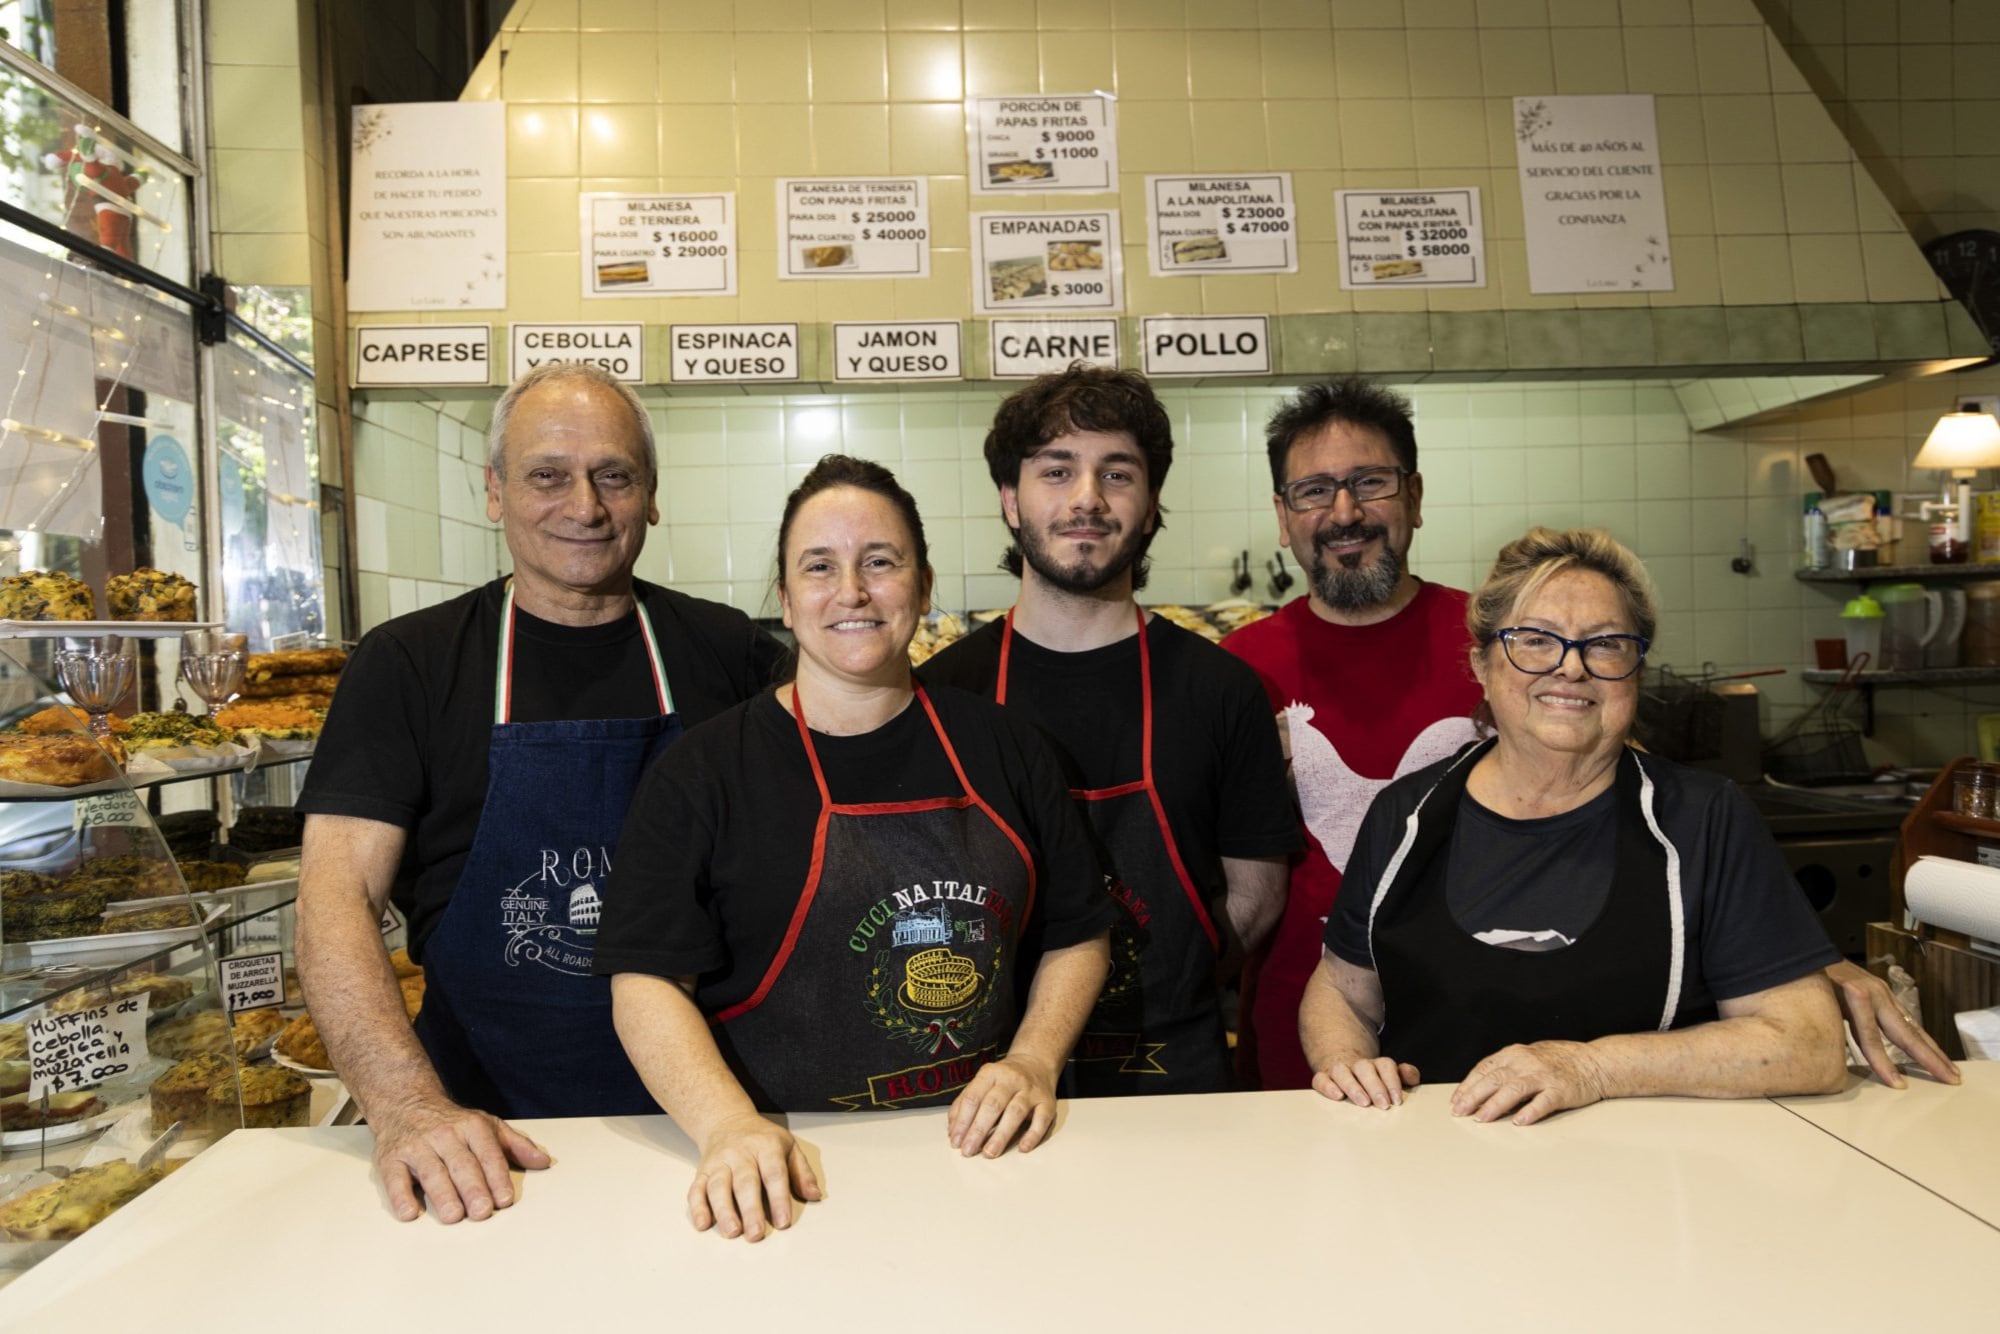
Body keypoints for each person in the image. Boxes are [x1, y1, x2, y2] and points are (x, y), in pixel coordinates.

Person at [1222, 378, 1959, 1093]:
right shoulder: (1240, 673)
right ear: (1284, 517)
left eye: (1371, 482)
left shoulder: (1501, 627)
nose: (1345, 510)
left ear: (1414, 497)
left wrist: (1783, 954)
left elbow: (1612, 788)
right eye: (1314, 490)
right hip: (1332, 1042)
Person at [295, 363, 784, 1225]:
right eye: (547, 475)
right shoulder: (409, 664)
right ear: (495, 492)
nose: (585, 507)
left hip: (719, 1129)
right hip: (492, 1143)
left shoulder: (730, 652)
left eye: (615, 476)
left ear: (652, 496)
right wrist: (406, 1106)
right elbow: (337, 894)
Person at [596, 455, 1114, 1242]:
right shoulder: (704, 772)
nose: (853, 592)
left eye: (880, 562)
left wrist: (1035, 1062)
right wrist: (726, 1126)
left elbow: (1078, 935)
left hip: (979, 1160)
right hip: (785, 1166)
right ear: (785, 598)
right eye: (820, 567)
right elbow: (644, 982)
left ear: (924, 585)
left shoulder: (1006, 747)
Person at [1302, 527, 1848, 1122]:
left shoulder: (1701, 818)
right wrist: (1346, 1061)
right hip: (1438, 1170)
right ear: (1482, 664)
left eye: (1606, 644)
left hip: (1652, 1174)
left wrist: (1592, 1068)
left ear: (1635, 670)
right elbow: (1341, 988)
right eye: (1535, 640)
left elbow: (1809, 1043)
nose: (1571, 668)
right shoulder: (1406, 814)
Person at [922, 366, 1296, 1095]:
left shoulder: (1221, 690)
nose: (1086, 499)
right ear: (1009, 500)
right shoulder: (945, 694)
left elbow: (1257, 895)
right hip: (988, 1079)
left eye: (1116, 474)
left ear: (1151, 505)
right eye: (1056, 471)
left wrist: (1176, 973)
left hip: (1175, 1072)